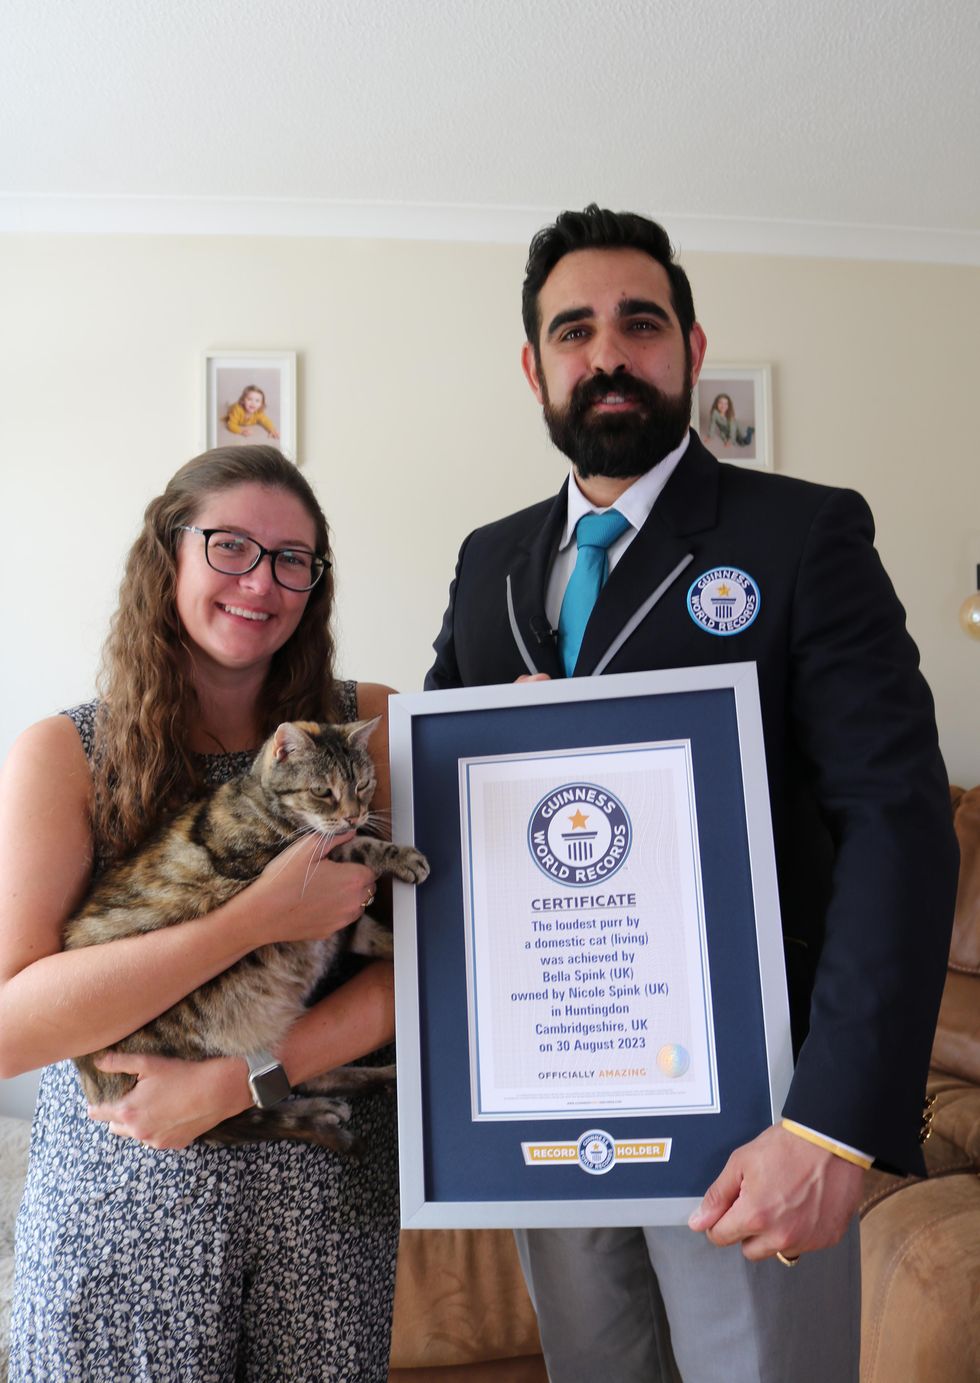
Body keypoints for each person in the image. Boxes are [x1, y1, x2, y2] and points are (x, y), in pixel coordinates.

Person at [425, 205, 958, 1381]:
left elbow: (898, 826)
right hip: (542, 1098)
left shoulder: (801, 533)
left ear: (690, 348)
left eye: (639, 323)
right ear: (534, 367)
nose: (606, 353)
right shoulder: (485, 564)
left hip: (755, 1113)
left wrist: (830, 1123)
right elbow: (433, 820)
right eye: (573, 330)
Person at [0, 445, 401, 1381]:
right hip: (123, 1206)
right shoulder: (67, 753)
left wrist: (245, 1079)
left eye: (293, 559)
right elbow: (12, 1027)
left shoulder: (369, 722)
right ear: (168, 553)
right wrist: (254, 919)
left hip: (326, 1205)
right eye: (230, 546)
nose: (262, 580)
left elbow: (446, 964)